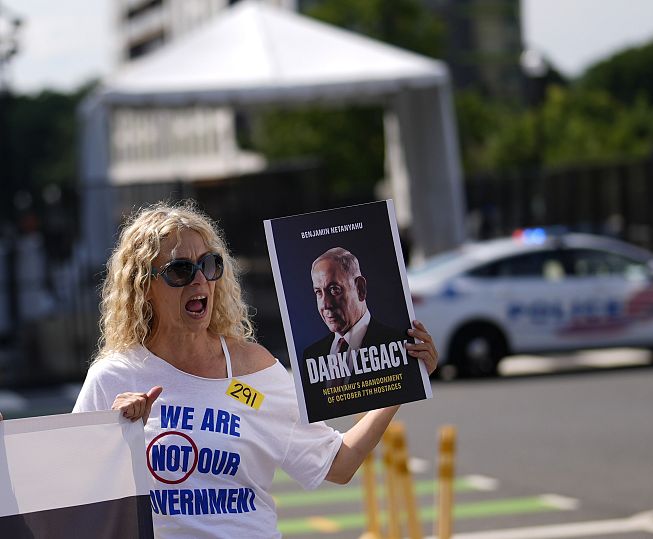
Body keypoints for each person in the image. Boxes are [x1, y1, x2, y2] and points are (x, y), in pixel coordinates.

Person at [71, 201, 438, 538]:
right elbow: (72, 495)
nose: (200, 280)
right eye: (180, 270)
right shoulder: (114, 377)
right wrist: (113, 438)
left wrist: (406, 378)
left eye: (209, 265)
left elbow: (338, 464)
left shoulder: (254, 370)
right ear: (143, 286)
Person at [303, 247, 405, 388]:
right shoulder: (311, 356)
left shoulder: (398, 348)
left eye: (334, 289)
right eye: (318, 292)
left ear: (360, 288)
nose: (325, 304)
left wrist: (422, 371)